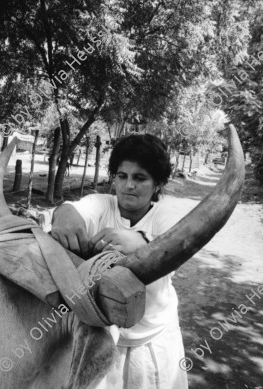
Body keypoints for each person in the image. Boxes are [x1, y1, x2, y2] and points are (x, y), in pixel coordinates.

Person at [51, 134, 188, 389]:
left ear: (157, 184)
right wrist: (63, 213)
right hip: (97, 336)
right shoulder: (102, 204)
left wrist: (141, 241)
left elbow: (177, 246)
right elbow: (76, 208)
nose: (128, 186)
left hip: (150, 340)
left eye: (140, 178)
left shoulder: (166, 216)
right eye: (122, 176)